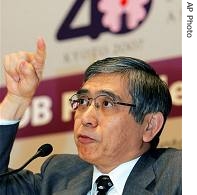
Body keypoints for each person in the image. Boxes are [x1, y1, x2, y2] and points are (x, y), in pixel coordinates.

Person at [0, 38, 181, 195]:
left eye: (107, 103)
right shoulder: (58, 175)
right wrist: (16, 100)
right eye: (83, 101)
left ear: (149, 125)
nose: (86, 118)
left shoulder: (178, 174)